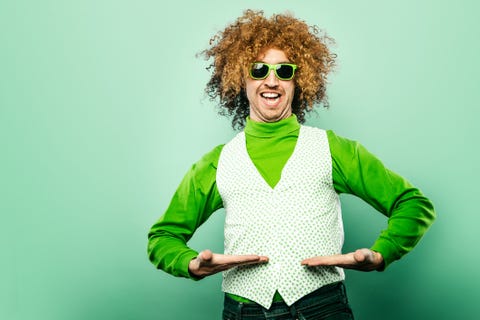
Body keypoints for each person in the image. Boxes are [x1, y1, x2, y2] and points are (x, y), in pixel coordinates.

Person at [147, 10, 435, 319]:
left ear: (299, 80)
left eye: (284, 70)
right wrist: (191, 263)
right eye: (258, 69)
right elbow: (162, 238)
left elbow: (413, 204)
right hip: (244, 313)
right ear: (239, 77)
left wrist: (381, 254)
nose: (271, 80)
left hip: (322, 309)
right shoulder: (217, 163)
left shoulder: (334, 149)